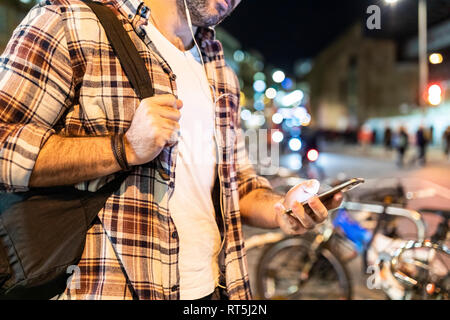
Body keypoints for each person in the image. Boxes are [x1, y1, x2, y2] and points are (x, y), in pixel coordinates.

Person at [0, 0, 341, 300]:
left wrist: (283, 210)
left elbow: (238, 184)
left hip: (213, 287)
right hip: (106, 288)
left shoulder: (221, 73)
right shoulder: (70, 21)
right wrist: (124, 149)